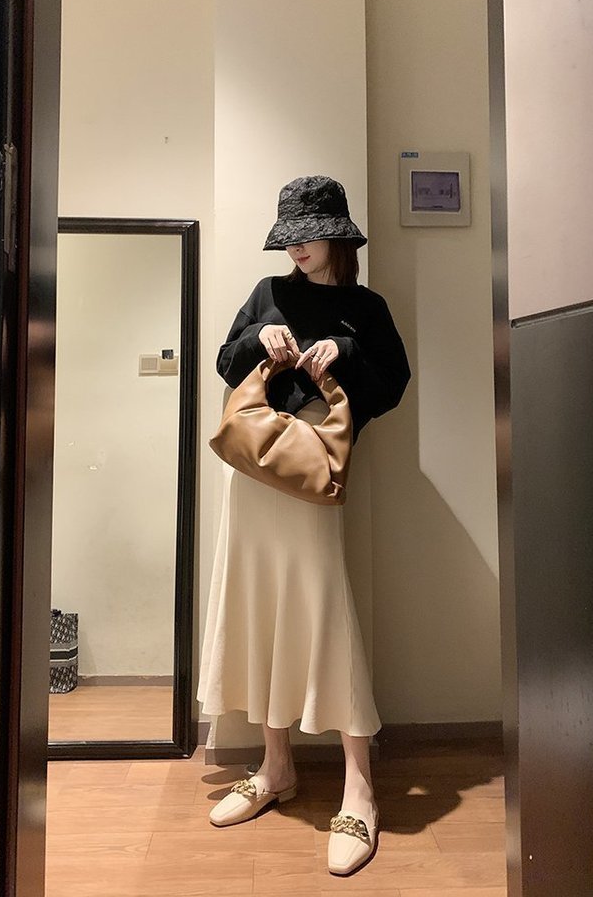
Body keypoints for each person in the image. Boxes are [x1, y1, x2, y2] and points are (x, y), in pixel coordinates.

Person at [196, 174, 411, 875]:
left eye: (308, 236)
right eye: (288, 239)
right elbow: (226, 365)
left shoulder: (366, 307)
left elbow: (393, 385)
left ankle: (360, 786)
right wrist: (259, 338)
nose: (296, 250)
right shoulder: (267, 293)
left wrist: (344, 355)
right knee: (258, 605)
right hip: (253, 471)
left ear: (336, 236)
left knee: (322, 609)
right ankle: (275, 765)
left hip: (312, 467)